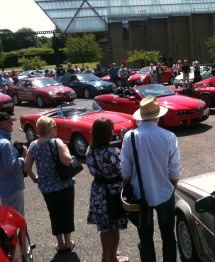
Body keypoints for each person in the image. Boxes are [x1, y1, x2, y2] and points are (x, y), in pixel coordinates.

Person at [121, 97, 181, 262]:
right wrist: (171, 186)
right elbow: (175, 171)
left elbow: (125, 172)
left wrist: (129, 184)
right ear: (158, 116)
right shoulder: (169, 137)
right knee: (168, 235)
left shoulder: (130, 137)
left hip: (140, 196)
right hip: (165, 193)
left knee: (146, 239)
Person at [24, 116, 76, 253]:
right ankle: (68, 242)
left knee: (54, 213)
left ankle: (60, 244)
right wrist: (66, 149)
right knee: (66, 212)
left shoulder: (33, 145)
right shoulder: (56, 142)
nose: (56, 129)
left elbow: (27, 168)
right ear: (48, 129)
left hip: (46, 188)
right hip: (64, 184)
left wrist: (36, 179)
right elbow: (67, 161)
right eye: (54, 126)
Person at [85, 118, 128, 262]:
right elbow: (123, 174)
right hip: (113, 192)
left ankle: (105, 257)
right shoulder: (113, 152)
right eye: (111, 129)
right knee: (114, 227)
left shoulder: (89, 151)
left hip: (98, 191)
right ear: (106, 134)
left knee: (104, 228)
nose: (113, 131)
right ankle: (113, 258)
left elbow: (92, 171)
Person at [0, 112, 27, 216]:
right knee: (17, 218)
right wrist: (23, 157)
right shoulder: (5, 143)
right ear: (2, 124)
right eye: (9, 122)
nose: (12, 123)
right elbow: (10, 167)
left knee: (7, 218)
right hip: (13, 187)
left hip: (3, 187)